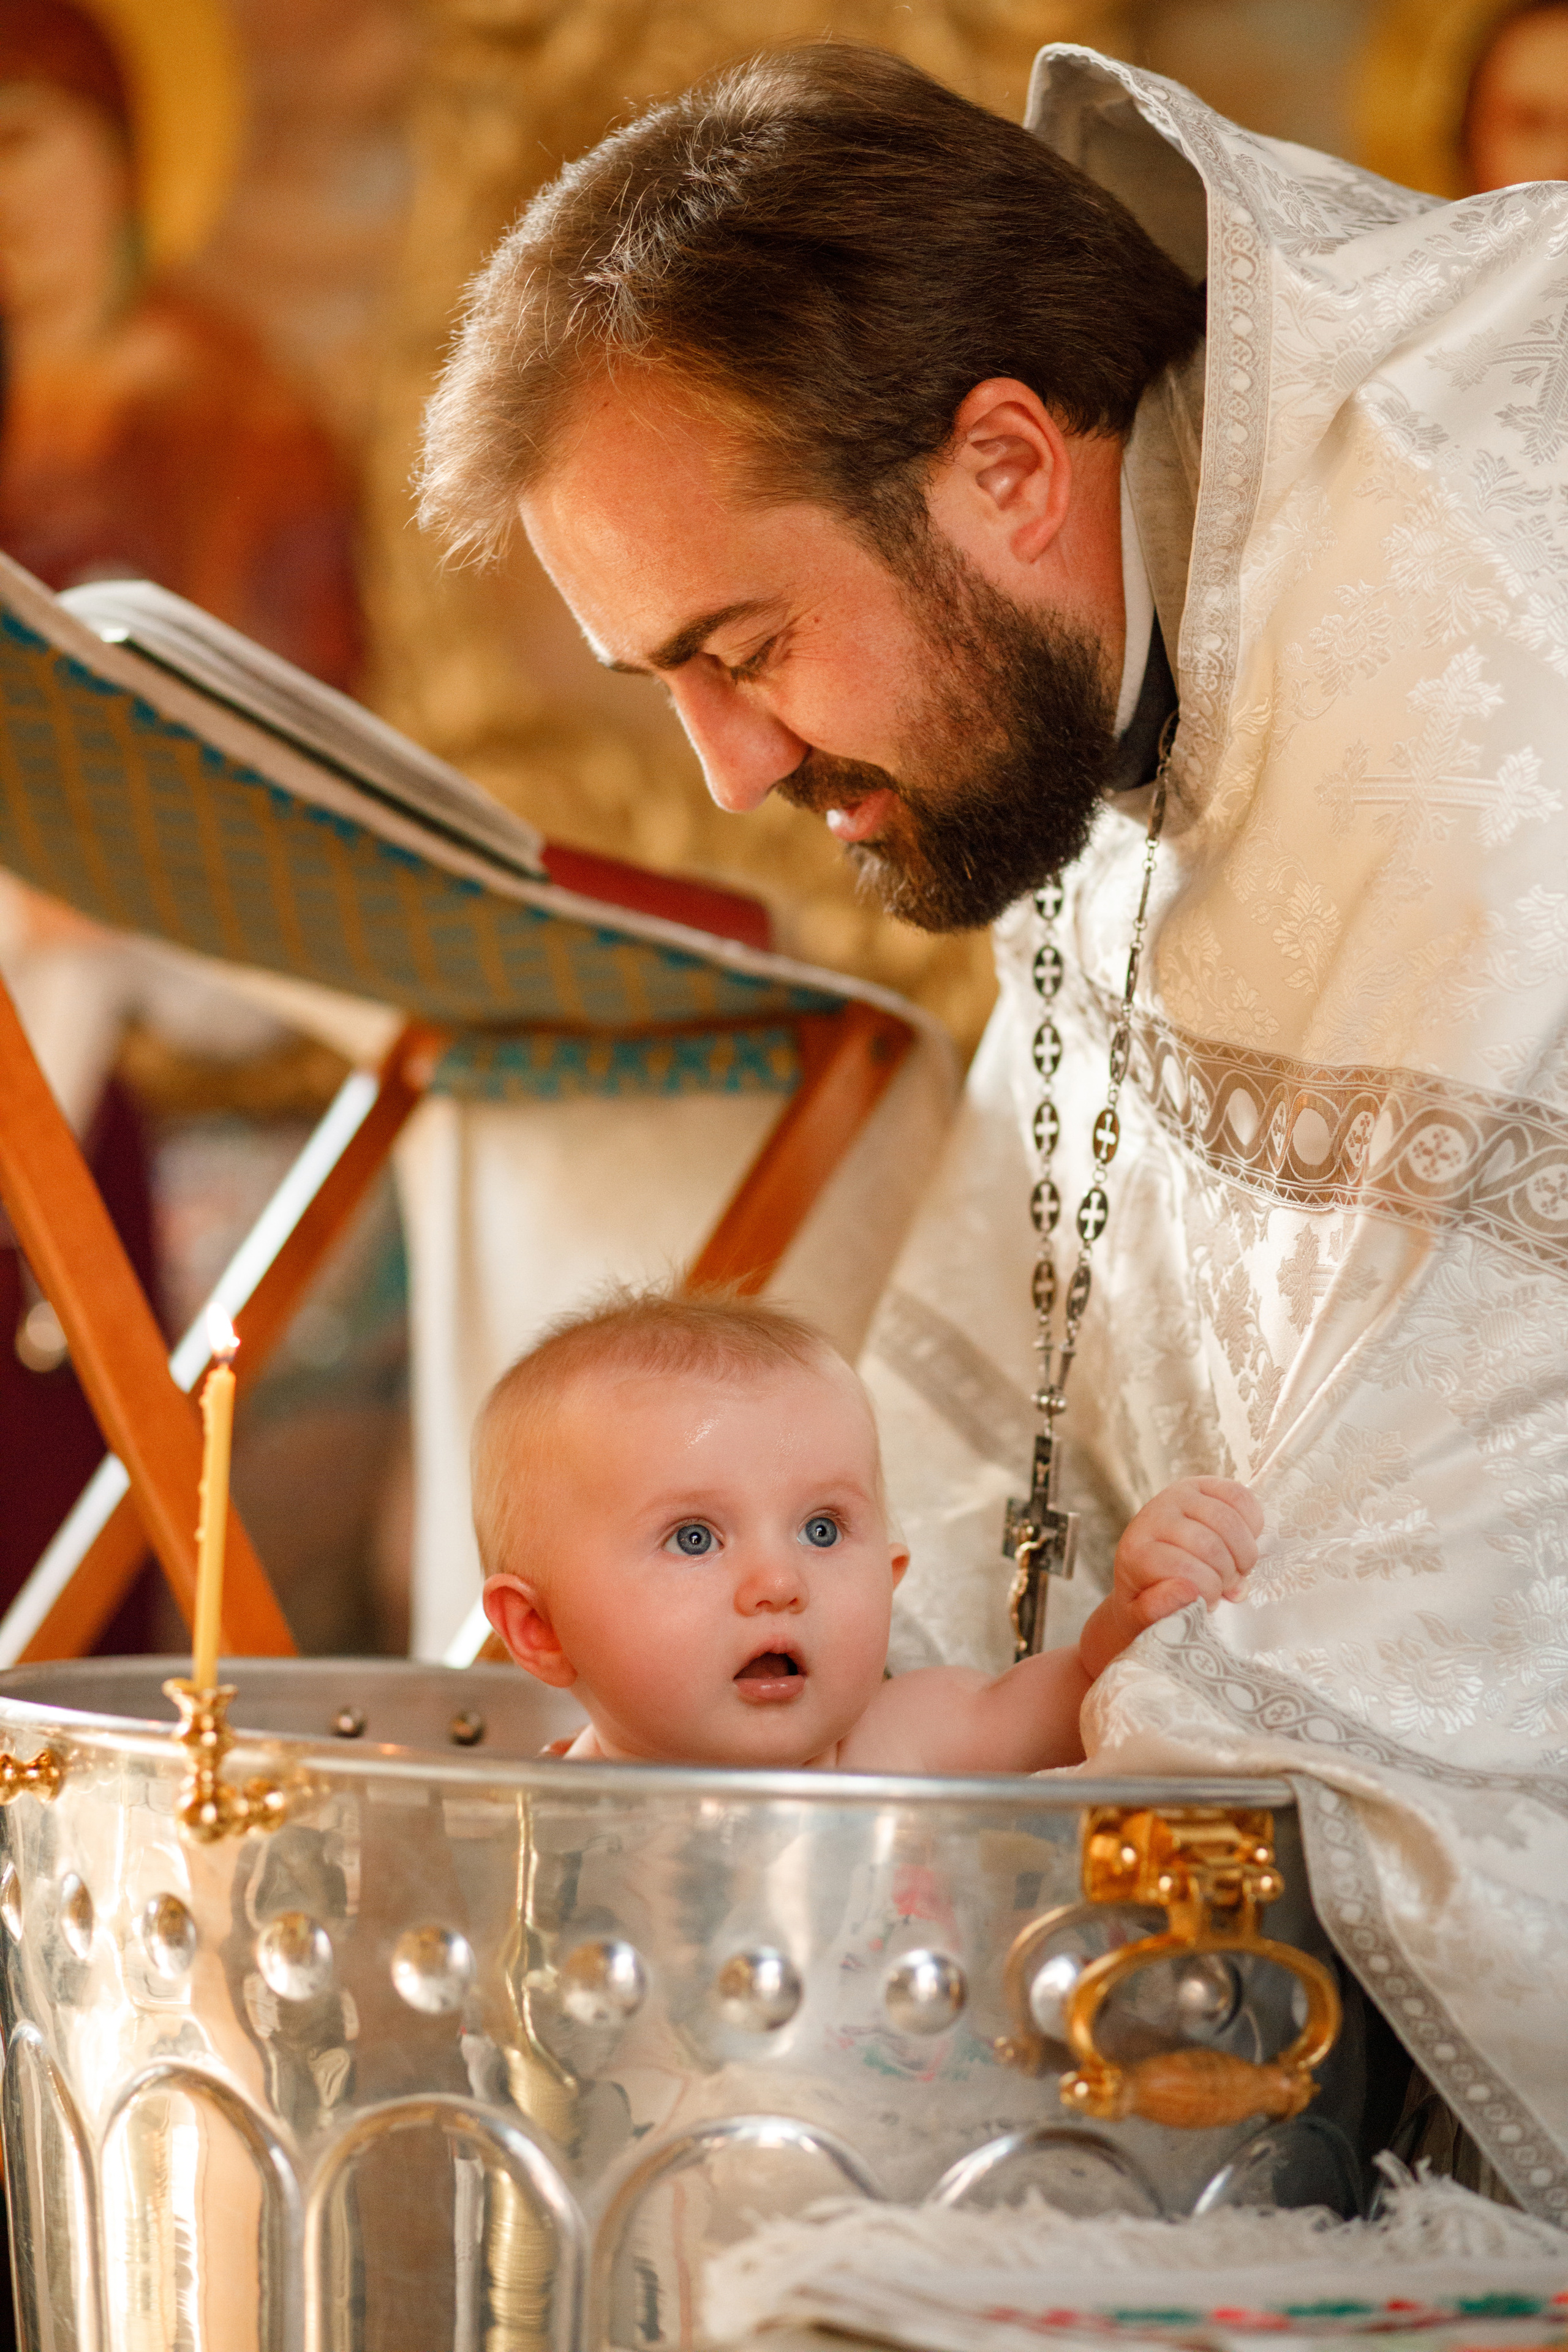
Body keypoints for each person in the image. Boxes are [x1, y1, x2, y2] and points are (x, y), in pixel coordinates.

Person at [419, 43, 1568, 2217]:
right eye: (659, 679)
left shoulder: (1463, 647)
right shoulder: (1120, 655)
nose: (724, 771)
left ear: (1007, 468)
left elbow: (1473, 1563)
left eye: (742, 648)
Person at [476, 1289, 1260, 1770]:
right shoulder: (541, 1821)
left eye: (821, 1530)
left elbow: (1090, 1696)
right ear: (540, 1629)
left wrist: (1134, 1604)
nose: (779, 1584)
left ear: (888, 1576)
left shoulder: (905, 1743)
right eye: (694, 1538)